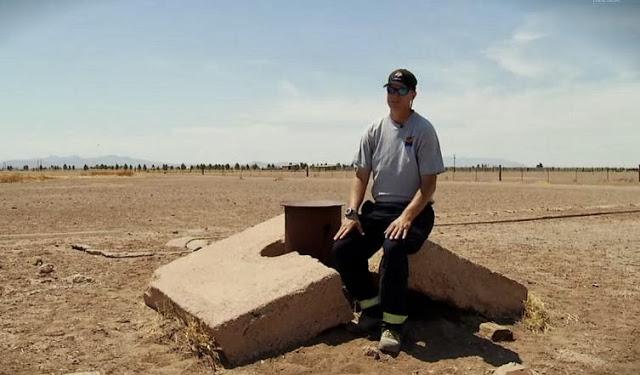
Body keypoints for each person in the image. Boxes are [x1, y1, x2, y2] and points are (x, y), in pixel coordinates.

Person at [331, 68, 444, 354]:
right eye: (390, 90)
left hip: (414, 211)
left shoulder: (423, 130)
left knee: (393, 248)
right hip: (379, 209)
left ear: (413, 95)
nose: (394, 95)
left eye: (400, 90)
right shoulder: (374, 129)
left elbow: (429, 185)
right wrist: (353, 213)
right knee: (342, 247)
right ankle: (372, 309)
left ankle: (393, 324)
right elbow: (361, 176)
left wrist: (407, 217)